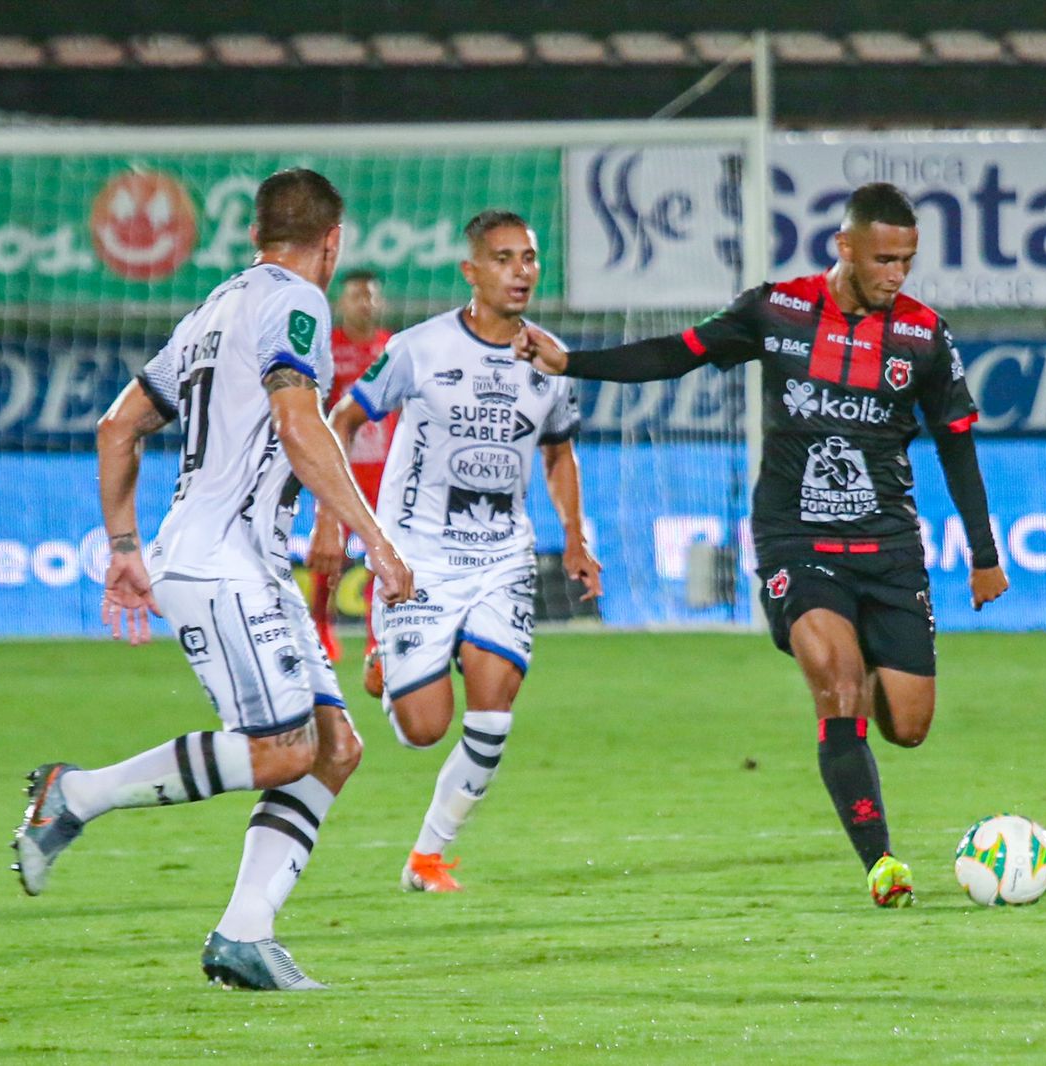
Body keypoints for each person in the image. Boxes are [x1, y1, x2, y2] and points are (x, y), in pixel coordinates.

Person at [515, 182, 1009, 907]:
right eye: (883, 259)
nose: (895, 274)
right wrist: (573, 363)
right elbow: (673, 355)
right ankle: (882, 863)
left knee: (908, 725)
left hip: (888, 545)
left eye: (906, 261)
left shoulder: (923, 337)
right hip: (796, 540)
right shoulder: (776, 311)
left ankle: (855, 677)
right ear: (845, 247)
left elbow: (957, 445)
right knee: (839, 688)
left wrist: (983, 552)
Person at [10, 168, 415, 989]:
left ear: (257, 235)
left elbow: (119, 425)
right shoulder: (298, 304)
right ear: (332, 242)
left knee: (334, 749)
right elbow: (299, 423)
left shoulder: (215, 309)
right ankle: (75, 794)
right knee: (283, 753)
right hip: (220, 560)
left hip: (241, 563)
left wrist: (125, 544)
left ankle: (244, 934)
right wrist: (377, 539)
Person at [326, 209, 601, 893]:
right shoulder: (419, 348)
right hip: (418, 553)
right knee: (423, 729)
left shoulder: (550, 360)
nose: (521, 271)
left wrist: (576, 537)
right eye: (505, 258)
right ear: (472, 272)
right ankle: (390, 655)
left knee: (493, 709)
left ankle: (427, 857)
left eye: (530, 258)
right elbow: (343, 419)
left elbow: (559, 452)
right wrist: (335, 519)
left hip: (502, 556)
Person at [306, 269, 396, 686]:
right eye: (357, 296)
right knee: (328, 555)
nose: (366, 303)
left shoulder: (392, 348)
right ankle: (320, 628)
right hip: (341, 469)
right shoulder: (327, 350)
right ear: (341, 304)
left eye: (371, 296)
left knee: (385, 554)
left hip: (385, 470)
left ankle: (377, 637)